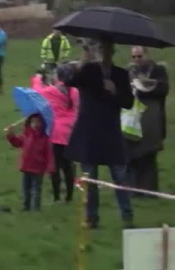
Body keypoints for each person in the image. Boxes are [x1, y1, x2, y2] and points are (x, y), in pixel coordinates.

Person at [65, 39, 134, 229]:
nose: (103, 52)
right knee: (90, 178)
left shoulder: (121, 74)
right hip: (89, 132)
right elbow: (69, 81)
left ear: (113, 50)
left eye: (106, 49)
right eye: (99, 49)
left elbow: (129, 102)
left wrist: (114, 91)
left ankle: (127, 217)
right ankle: (92, 219)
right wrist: (82, 61)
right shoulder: (88, 71)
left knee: (120, 176)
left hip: (111, 131)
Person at [31, 64, 79, 203]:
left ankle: (57, 196)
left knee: (55, 166)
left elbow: (36, 92)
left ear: (58, 76)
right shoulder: (74, 91)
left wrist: (38, 79)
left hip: (56, 132)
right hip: (71, 131)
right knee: (68, 165)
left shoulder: (51, 91)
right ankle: (69, 196)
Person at [126, 46, 169, 196]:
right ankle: (133, 190)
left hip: (151, 118)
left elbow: (163, 89)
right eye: (134, 57)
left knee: (148, 156)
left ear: (147, 55)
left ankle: (149, 191)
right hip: (132, 120)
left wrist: (147, 83)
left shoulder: (158, 70)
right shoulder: (130, 71)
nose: (137, 59)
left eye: (139, 56)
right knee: (132, 156)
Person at [5, 114, 54, 211]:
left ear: (43, 123)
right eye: (33, 122)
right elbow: (17, 143)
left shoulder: (45, 139)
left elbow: (49, 154)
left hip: (38, 168)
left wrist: (50, 167)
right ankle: (26, 206)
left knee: (36, 190)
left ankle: (36, 208)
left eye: (38, 121)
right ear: (29, 123)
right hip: (26, 167)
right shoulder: (26, 135)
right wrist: (10, 135)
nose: (35, 124)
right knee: (26, 189)